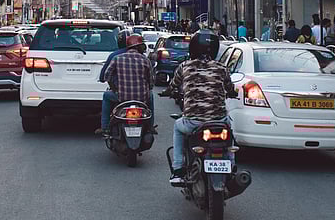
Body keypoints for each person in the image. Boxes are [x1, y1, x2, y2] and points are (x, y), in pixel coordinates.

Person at [162, 31, 238, 185]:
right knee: (230, 130)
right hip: (219, 120)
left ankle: (178, 169)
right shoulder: (221, 68)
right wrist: (231, 93)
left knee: (178, 127)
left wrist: (168, 92)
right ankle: (231, 163)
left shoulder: (185, 66)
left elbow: (173, 86)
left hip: (193, 122)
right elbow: (229, 88)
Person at [97, 34, 155, 136]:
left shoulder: (117, 58)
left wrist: (115, 89)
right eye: (142, 45)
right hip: (142, 98)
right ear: (137, 46)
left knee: (106, 96)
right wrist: (147, 88)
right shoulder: (145, 60)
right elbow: (151, 82)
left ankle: (104, 127)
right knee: (151, 96)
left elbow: (106, 76)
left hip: (121, 97)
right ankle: (150, 126)